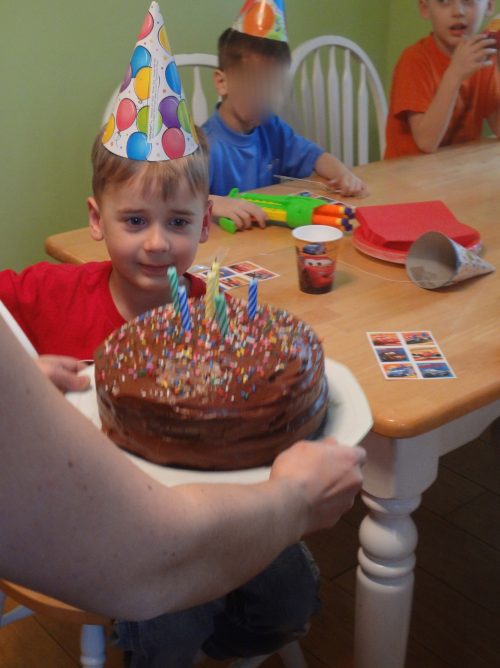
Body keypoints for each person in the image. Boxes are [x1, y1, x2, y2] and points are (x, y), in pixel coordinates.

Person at [0, 3, 346, 665]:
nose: (158, 243)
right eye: (135, 221)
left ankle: (223, 634)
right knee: (166, 626)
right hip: (108, 517)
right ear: (96, 220)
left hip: (221, 501)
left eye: (179, 222)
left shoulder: (212, 312)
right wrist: (22, 369)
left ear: (205, 223)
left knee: (291, 592)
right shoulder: (54, 293)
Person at [0, 313, 366, 623]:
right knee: (173, 629)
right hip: (149, 563)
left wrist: (20, 381)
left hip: (200, 529)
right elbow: (144, 563)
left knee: (286, 593)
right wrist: (297, 500)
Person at [203, 0, 367, 231]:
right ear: (222, 82)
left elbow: (315, 156)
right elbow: (174, 202)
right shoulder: (203, 145)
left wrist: (344, 174)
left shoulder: (272, 129)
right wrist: (213, 203)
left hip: (267, 238)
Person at [385, 0, 500, 159]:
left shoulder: (484, 60)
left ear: (489, 5)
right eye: (444, 1)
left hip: (456, 169)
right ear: (425, 8)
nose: (458, 11)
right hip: (408, 170)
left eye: (468, 1)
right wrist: (455, 74)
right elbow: (426, 142)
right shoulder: (414, 60)